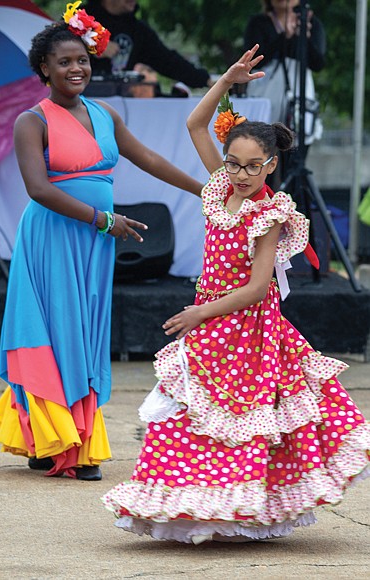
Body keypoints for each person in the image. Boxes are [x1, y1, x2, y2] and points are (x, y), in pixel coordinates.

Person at [101, 45, 370, 542]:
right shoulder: (219, 188)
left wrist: (200, 311)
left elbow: (257, 288)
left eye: (252, 167)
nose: (240, 175)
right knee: (188, 414)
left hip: (246, 325)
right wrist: (225, 80)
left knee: (244, 420)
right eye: (233, 164)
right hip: (211, 321)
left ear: (270, 167)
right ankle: (194, 505)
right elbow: (195, 125)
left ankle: (244, 507)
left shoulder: (268, 214)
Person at [0, 2, 203, 482]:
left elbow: (147, 156)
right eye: (64, 61)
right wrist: (103, 220)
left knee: (84, 333)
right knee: (56, 330)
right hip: (53, 237)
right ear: (44, 68)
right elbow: (38, 189)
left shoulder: (103, 114)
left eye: (82, 59)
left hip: (94, 239)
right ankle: (55, 440)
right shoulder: (32, 121)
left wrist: (204, 187)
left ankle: (63, 436)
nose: (76, 68)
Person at [243, 0, 326, 185]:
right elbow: (251, 59)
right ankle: (262, 208)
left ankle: (293, 210)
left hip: (298, 100)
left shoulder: (310, 22)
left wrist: (300, 36)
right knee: (261, 162)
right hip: (265, 98)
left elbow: (318, 62)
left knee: (295, 164)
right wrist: (283, 37)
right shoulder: (259, 22)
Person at [84, 0, 213, 89]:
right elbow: (64, 47)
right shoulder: (78, 20)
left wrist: (205, 80)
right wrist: (88, 44)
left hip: (118, 104)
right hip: (79, 102)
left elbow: (167, 61)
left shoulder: (138, 30)